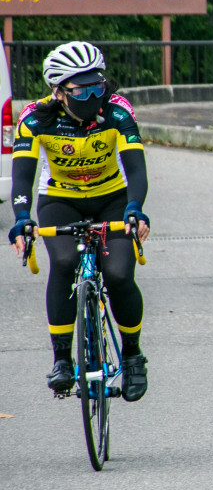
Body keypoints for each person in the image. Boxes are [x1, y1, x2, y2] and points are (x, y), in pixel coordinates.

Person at [8, 42, 151, 400]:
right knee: (65, 260)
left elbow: (135, 167)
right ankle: (62, 361)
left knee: (118, 274)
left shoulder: (117, 111)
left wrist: (135, 207)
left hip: (112, 198)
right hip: (61, 199)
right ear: (58, 91)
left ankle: (133, 355)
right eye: (80, 89)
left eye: (97, 86)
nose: (92, 95)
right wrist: (22, 217)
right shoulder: (35, 118)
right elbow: (22, 176)